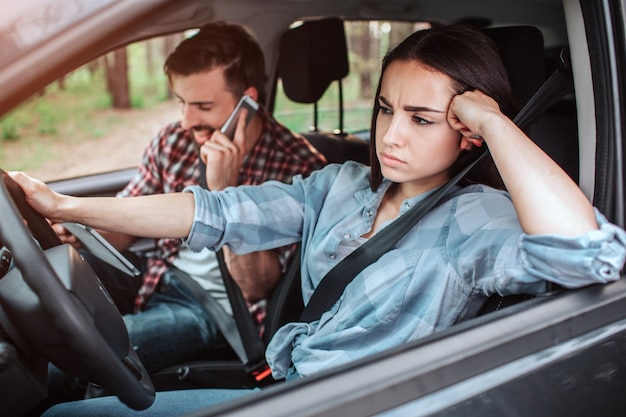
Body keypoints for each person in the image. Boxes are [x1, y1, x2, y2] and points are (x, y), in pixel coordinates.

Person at [15, 22, 625, 416]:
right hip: (288, 388)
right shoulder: (343, 184)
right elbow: (218, 211)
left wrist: (494, 122)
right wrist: (64, 205)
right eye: (386, 109)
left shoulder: (481, 219)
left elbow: (589, 255)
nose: (390, 134)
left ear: (464, 132)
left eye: (422, 118)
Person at [45, 20, 327, 401]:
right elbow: (126, 225)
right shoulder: (173, 141)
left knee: (73, 359)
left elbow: (258, 288)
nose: (186, 120)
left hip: (221, 312)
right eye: (182, 101)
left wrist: (227, 190)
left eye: (203, 106)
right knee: (46, 291)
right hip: (159, 275)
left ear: (248, 101)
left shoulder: (299, 167)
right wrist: (78, 229)